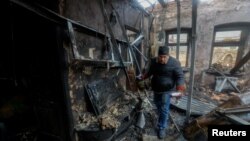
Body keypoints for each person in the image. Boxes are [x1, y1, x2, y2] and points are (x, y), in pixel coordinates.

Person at [138, 46, 185, 139]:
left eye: (164, 57)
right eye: (160, 57)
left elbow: (180, 77)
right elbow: (149, 72)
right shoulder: (155, 62)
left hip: (167, 91)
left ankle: (161, 127)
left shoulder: (175, 63)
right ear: (158, 56)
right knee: (157, 104)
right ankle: (163, 115)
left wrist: (180, 89)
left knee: (163, 108)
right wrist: (142, 77)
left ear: (168, 56)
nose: (162, 59)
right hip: (156, 89)